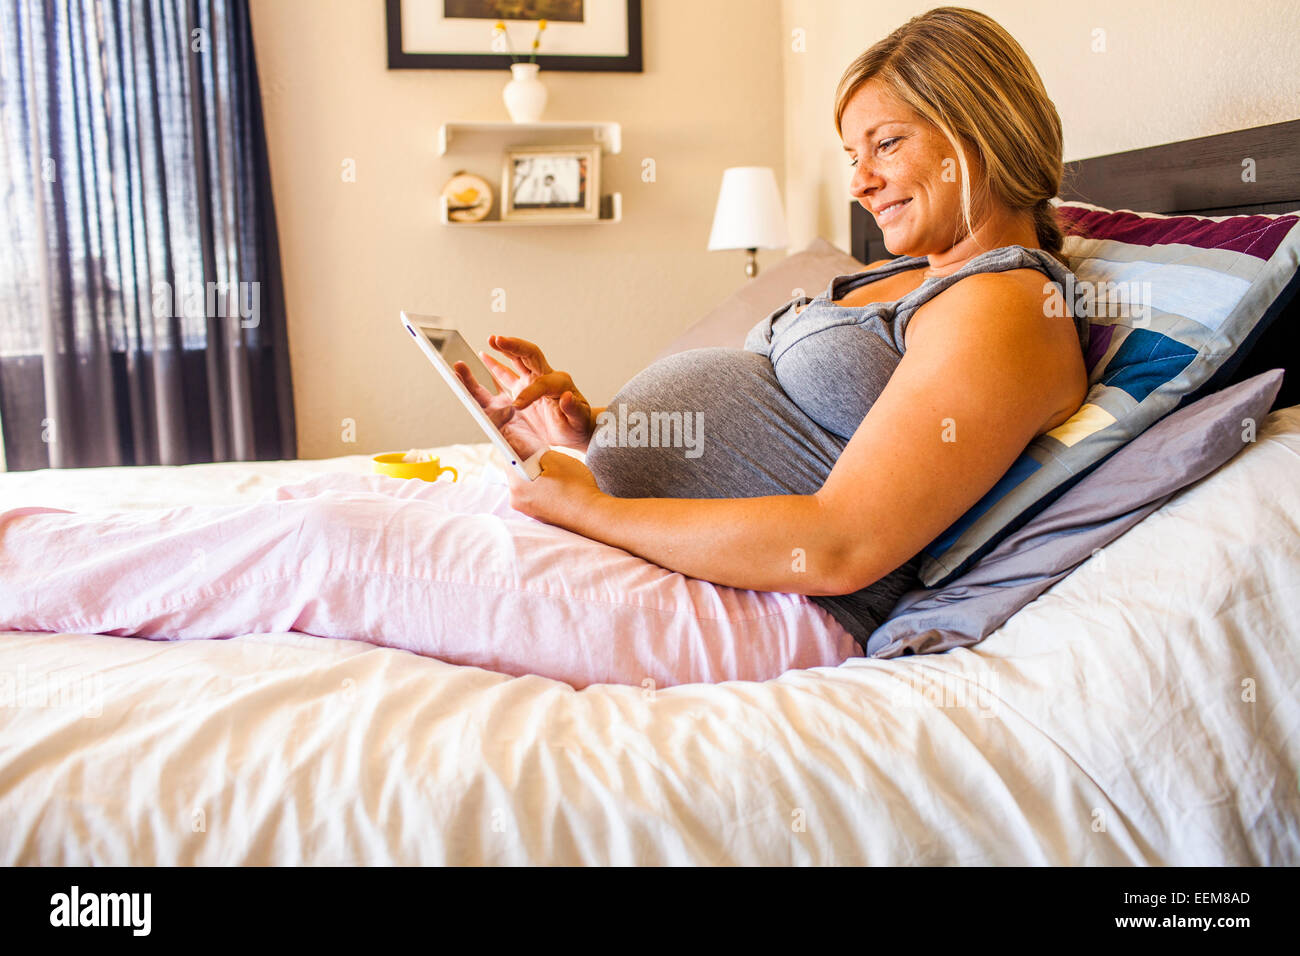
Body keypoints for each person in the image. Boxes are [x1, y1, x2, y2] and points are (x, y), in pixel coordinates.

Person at [453, 6, 1089, 650]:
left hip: (783, 602)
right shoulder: (891, 275)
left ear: (980, 134)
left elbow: (843, 542)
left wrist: (592, 510)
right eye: (852, 155)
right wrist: (595, 429)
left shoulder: (1004, 305)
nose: (860, 184)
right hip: (681, 555)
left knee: (356, 555)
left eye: (886, 144)